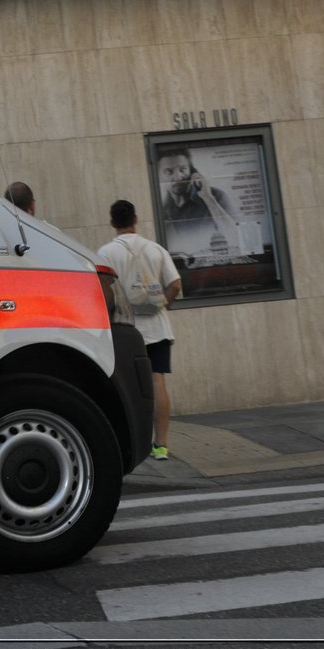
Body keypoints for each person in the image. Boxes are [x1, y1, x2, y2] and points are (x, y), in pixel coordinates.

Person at [99, 199, 181, 460]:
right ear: (135, 219)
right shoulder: (155, 249)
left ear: (112, 222)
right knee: (158, 381)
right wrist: (160, 304)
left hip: (125, 330)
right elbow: (176, 284)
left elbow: (104, 292)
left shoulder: (105, 253)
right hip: (157, 328)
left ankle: (130, 445)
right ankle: (161, 445)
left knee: (125, 387)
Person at [155, 148, 241, 259]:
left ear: (192, 171)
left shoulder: (216, 196)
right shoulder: (163, 209)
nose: (178, 177)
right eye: (169, 172)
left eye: (183, 169)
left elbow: (236, 235)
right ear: (158, 176)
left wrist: (208, 198)